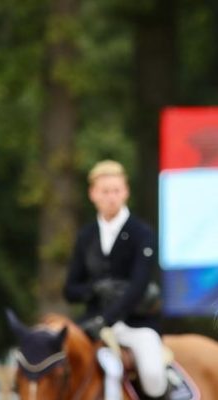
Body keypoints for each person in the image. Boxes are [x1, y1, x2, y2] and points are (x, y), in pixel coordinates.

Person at [63, 160, 167, 399]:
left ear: (126, 192)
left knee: (153, 376)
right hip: (91, 327)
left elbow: (139, 287)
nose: (111, 197)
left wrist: (106, 319)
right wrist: (94, 289)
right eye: (105, 191)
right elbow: (70, 290)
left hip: (136, 324)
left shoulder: (143, 234)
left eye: (116, 190)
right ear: (93, 194)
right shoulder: (86, 236)